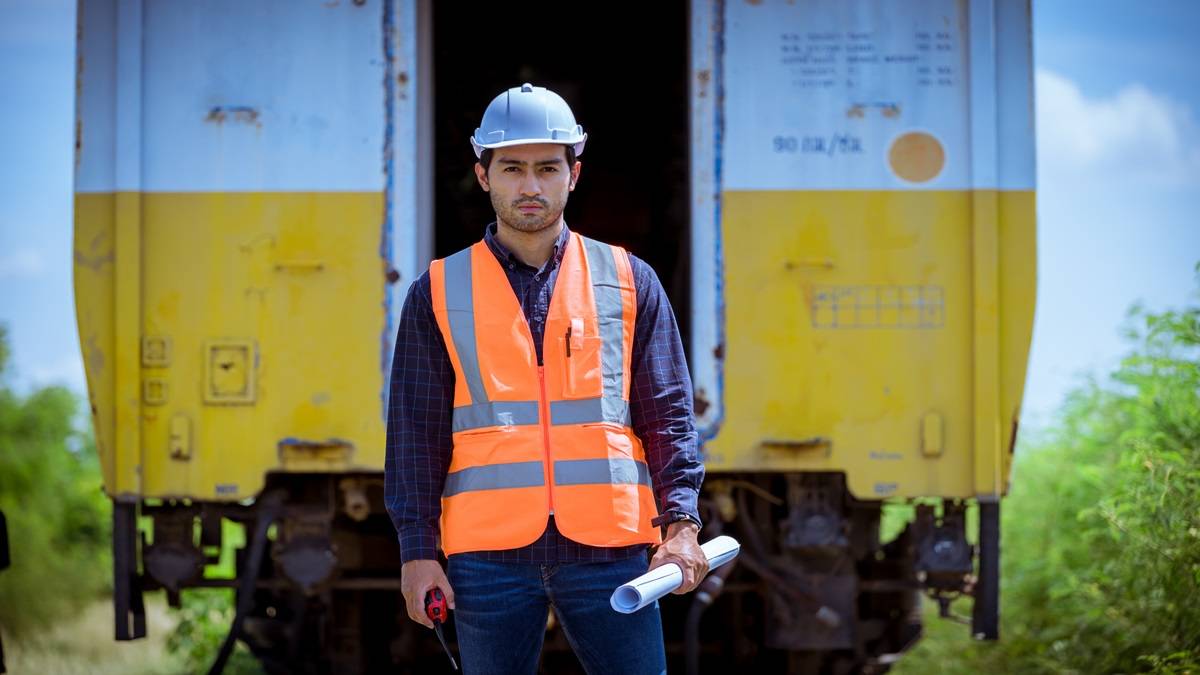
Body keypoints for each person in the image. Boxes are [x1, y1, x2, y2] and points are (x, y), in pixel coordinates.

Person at [385, 83, 707, 674]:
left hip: (611, 549)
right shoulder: (436, 292)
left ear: (573, 174)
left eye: (546, 168)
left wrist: (681, 526)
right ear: (483, 176)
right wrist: (417, 553)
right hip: (487, 557)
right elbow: (414, 435)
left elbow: (669, 416)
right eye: (511, 168)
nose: (529, 186)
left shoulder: (630, 280)